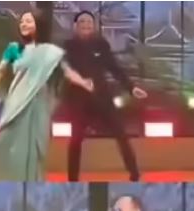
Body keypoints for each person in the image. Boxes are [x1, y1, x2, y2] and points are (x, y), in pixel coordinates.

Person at [0, 11, 94, 181]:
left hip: (38, 104)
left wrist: (83, 82)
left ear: (38, 25)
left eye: (28, 21)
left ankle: (30, 179)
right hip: (16, 103)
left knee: (33, 146)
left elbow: (67, 72)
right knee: (4, 141)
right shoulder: (14, 48)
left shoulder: (50, 52)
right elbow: (0, 71)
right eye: (22, 21)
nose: (24, 24)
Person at [62, 11, 145, 182]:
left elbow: (114, 68)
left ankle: (135, 174)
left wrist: (131, 88)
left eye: (89, 22)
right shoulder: (67, 46)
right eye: (82, 22)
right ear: (75, 26)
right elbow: (64, 71)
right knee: (76, 140)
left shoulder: (101, 44)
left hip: (102, 98)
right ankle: (73, 179)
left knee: (121, 134)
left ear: (94, 26)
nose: (86, 25)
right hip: (79, 100)